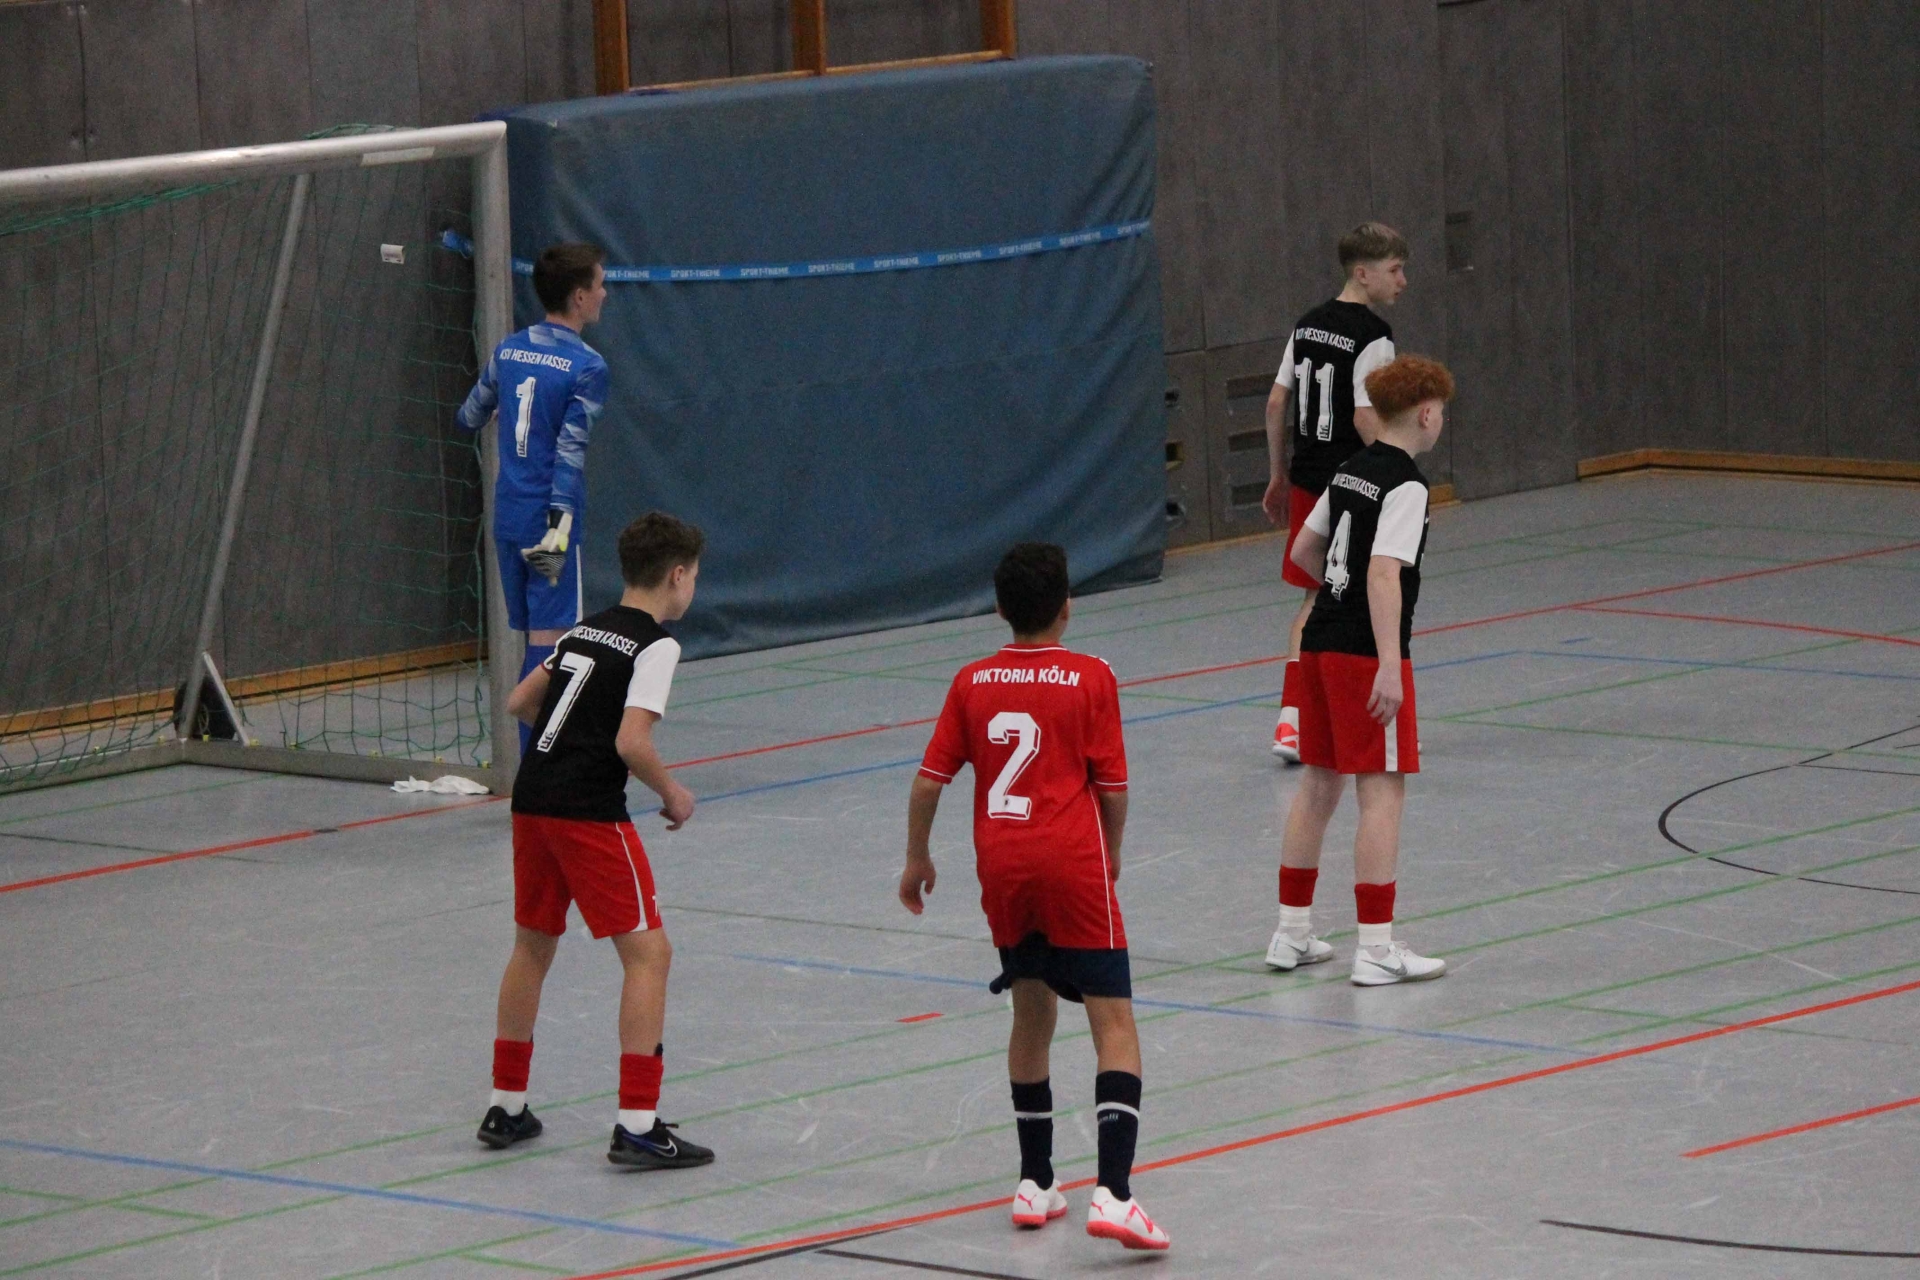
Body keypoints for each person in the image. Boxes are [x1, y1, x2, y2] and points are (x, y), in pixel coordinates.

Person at [899, 543, 1169, 1253]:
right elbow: (1113, 788)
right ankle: (1114, 1194)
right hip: (1070, 864)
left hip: (1004, 868)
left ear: (1000, 608)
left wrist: (917, 856)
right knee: (1114, 1020)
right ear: (1067, 607)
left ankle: (1034, 1180)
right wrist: (1110, 852)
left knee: (1030, 1009)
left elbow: (928, 782)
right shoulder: (1091, 676)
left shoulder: (971, 680)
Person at [476, 511, 716, 1170]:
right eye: (695, 576)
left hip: (534, 800)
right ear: (677, 576)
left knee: (532, 943)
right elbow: (632, 741)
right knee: (649, 955)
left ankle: (506, 1105)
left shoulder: (585, 628)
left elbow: (522, 701)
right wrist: (673, 794)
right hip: (587, 812)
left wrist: (570, 739)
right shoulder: (656, 646)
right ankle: (638, 1123)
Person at [1264, 356, 1453, 985]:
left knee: (1318, 786)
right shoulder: (1407, 485)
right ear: (1425, 414)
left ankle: (1291, 933)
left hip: (1317, 642)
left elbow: (1303, 549)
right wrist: (1390, 666)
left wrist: (1334, 594)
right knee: (1382, 792)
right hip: (1365, 653)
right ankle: (1375, 947)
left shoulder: (1349, 470)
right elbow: (1382, 573)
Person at [456, 242, 611, 755]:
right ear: (579, 296)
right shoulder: (587, 366)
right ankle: (541, 772)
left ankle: (536, 768)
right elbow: (569, 456)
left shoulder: (508, 350)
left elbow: (468, 416)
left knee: (534, 641)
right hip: (550, 525)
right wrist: (559, 532)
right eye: (600, 285)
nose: (605, 294)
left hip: (508, 516)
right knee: (552, 648)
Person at [1263, 223, 1409, 764]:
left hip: (1307, 480)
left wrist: (1278, 475)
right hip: (1351, 483)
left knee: (1314, 599)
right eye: (1395, 270)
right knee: (1371, 595)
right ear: (1363, 273)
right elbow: (1366, 415)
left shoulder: (1307, 324)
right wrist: (1398, 472)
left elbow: (1276, 403)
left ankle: (1292, 721)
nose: (1403, 281)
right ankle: (1364, 717)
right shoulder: (1374, 335)